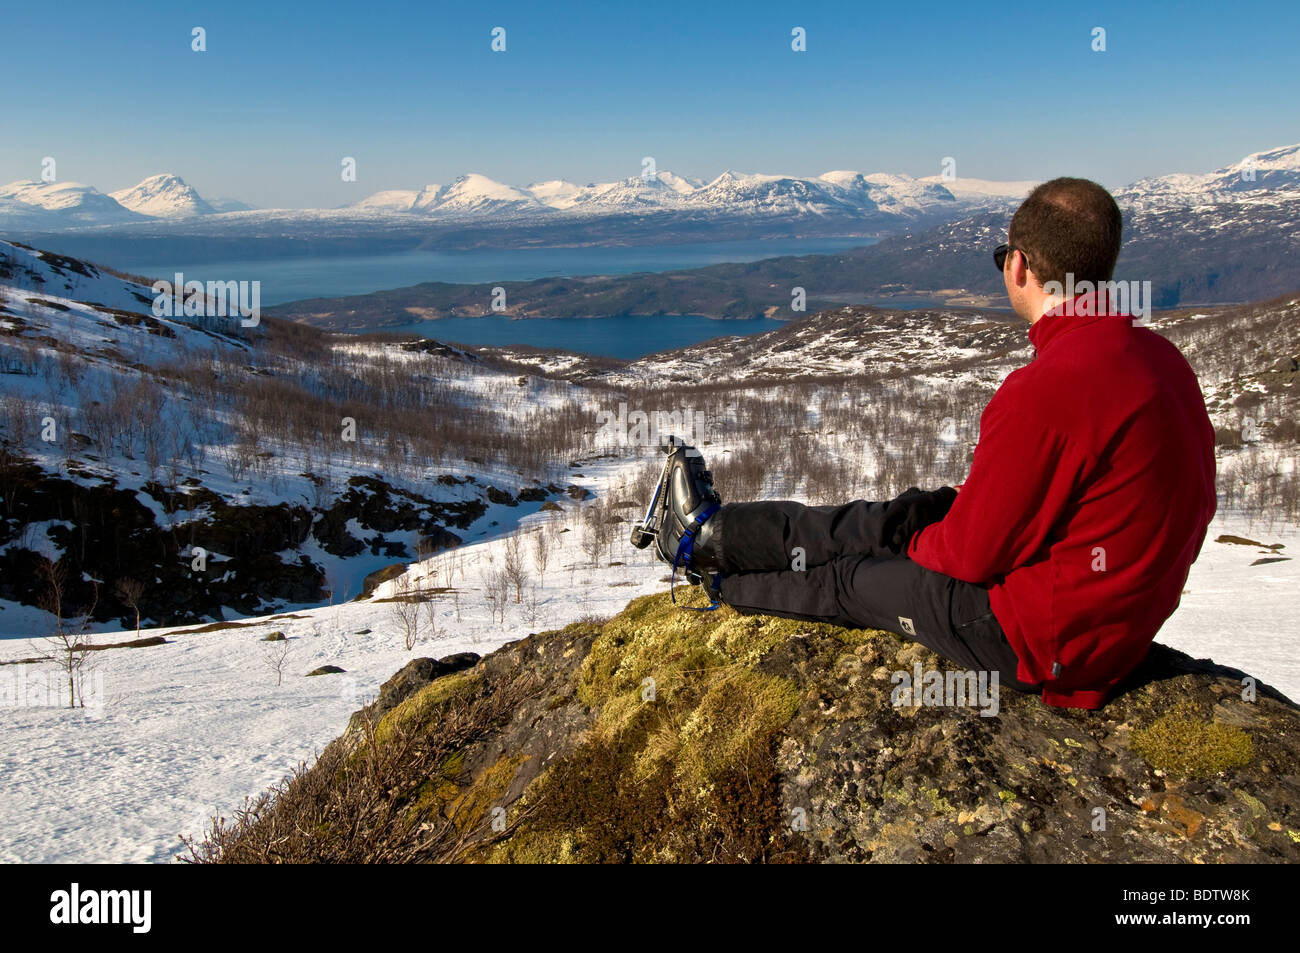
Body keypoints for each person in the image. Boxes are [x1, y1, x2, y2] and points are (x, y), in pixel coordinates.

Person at [638, 177, 1217, 710]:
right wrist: (913, 522)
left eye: (1001, 258)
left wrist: (911, 541)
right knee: (900, 515)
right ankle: (715, 532)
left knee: (851, 576)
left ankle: (714, 575)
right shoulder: (1162, 362)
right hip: (1105, 625)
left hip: (1032, 638)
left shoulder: (1047, 388)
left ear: (1019, 266)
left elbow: (971, 557)